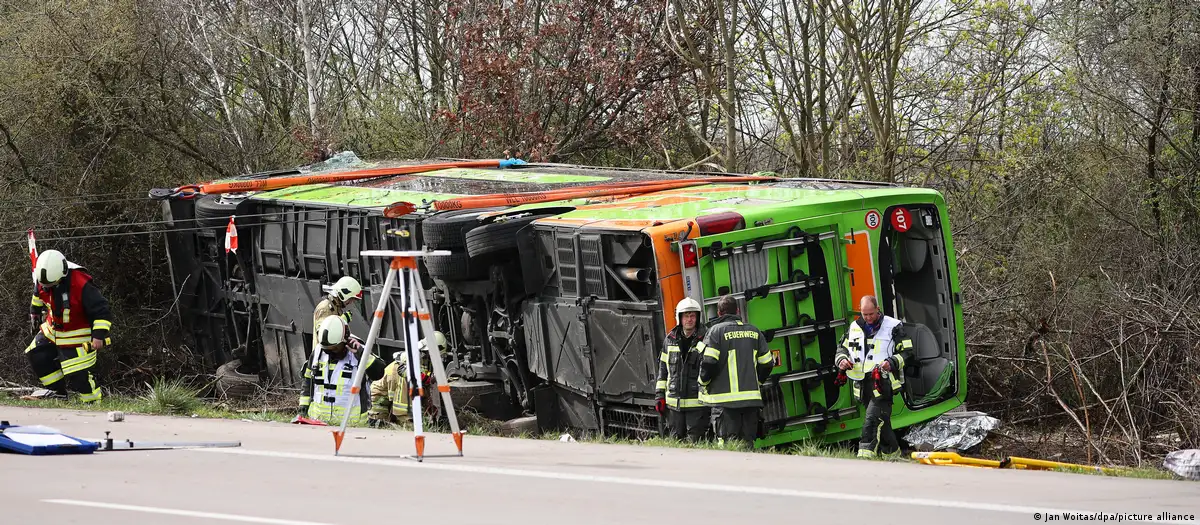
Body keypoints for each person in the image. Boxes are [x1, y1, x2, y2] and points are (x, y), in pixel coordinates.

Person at [25, 250, 111, 403]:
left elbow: (102, 310)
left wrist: (98, 335)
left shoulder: (81, 284)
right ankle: (58, 393)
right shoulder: (43, 278)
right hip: (52, 331)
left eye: (51, 285)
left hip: (78, 336)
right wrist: (35, 313)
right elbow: (38, 295)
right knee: (37, 354)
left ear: (62, 275)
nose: (47, 287)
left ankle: (93, 403)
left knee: (79, 375)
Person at [835, 295, 916, 458]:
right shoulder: (854, 327)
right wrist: (842, 360)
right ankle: (892, 455)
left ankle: (864, 455)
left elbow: (908, 353)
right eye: (864, 314)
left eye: (871, 314)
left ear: (877, 309)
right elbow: (841, 348)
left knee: (872, 419)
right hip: (863, 384)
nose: (868, 318)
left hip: (883, 382)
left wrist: (891, 362)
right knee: (882, 422)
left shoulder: (893, 326)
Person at [697, 295, 774, 447]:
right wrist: (757, 382)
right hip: (751, 402)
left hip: (724, 404)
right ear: (737, 311)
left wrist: (702, 381)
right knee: (747, 445)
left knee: (728, 447)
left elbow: (709, 362)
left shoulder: (715, 332)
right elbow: (767, 363)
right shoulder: (754, 331)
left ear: (719, 313)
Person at [297, 315, 385, 425]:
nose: (331, 353)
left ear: (345, 340)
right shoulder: (318, 352)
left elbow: (379, 373)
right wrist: (303, 405)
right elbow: (307, 380)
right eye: (327, 350)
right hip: (318, 422)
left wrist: (362, 354)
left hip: (352, 424)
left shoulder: (359, 352)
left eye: (335, 348)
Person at [301, 276, 362, 414]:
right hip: (323, 355)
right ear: (344, 293)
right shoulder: (325, 308)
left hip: (332, 353)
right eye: (351, 298)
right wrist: (343, 319)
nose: (351, 302)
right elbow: (324, 333)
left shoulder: (336, 307)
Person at [654, 297, 709, 441]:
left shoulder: (707, 339)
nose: (689, 319)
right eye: (686, 316)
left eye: (693, 316)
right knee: (676, 444)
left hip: (697, 406)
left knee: (696, 444)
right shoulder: (669, 340)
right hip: (674, 406)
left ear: (698, 317)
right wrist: (659, 396)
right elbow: (663, 371)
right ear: (680, 317)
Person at [368, 331, 445, 428]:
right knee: (381, 427)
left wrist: (427, 406)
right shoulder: (409, 363)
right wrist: (409, 421)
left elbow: (421, 386)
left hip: (390, 397)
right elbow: (402, 406)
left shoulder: (423, 360)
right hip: (380, 397)